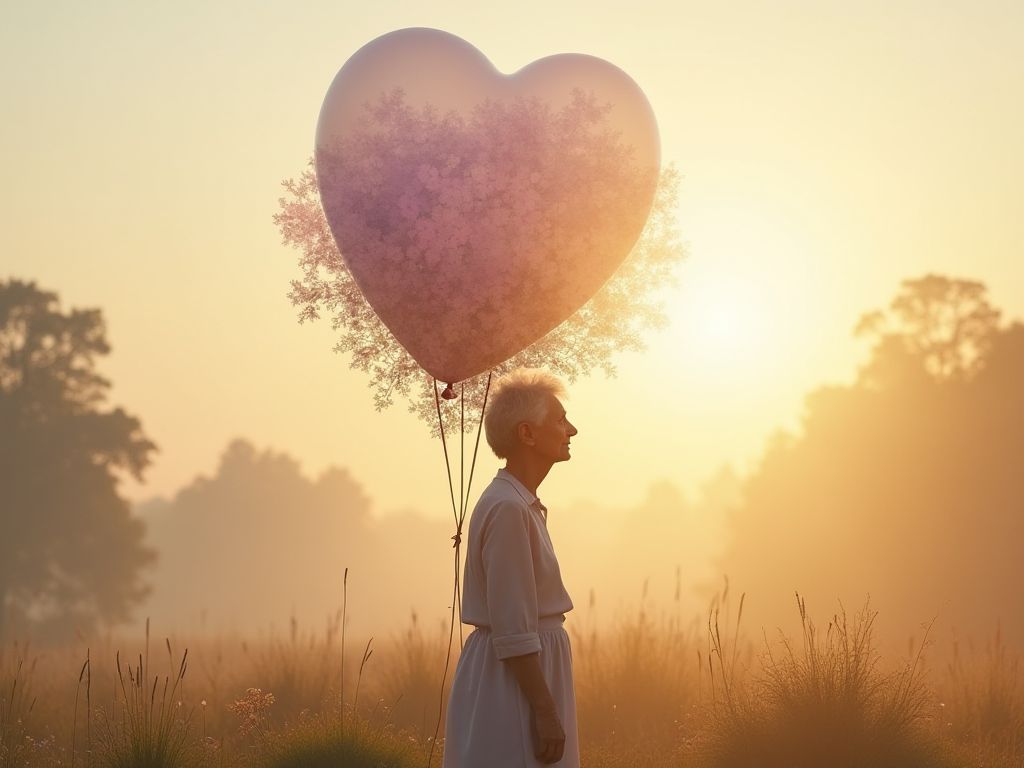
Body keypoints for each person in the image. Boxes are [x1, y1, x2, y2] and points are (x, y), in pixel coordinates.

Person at [443, 368, 580, 767]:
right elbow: (514, 627)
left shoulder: (519, 504)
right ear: (527, 433)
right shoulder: (507, 509)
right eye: (559, 419)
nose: (571, 430)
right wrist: (545, 711)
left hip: (526, 673)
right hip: (513, 685)